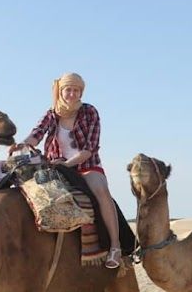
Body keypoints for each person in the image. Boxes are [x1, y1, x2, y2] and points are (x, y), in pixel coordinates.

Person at [18, 72, 122, 268]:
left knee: (101, 191)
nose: (72, 94)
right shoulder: (52, 114)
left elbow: (89, 148)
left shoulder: (89, 112)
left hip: (85, 166)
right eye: (68, 90)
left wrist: (67, 164)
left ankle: (115, 245)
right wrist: (22, 144)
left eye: (76, 90)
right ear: (61, 91)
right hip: (56, 166)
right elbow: (37, 134)